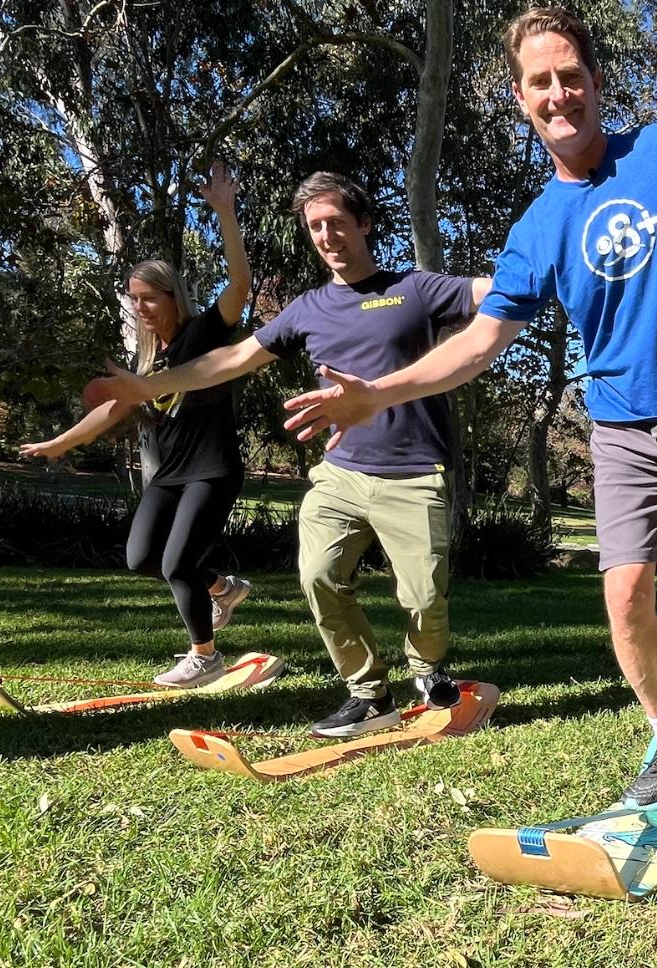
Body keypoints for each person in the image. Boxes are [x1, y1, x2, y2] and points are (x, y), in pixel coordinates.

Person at [279, 0, 657, 805]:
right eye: (539, 82)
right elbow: (478, 344)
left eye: (570, 76)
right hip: (621, 428)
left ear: (595, 81)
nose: (557, 94)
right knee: (624, 596)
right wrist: (374, 394)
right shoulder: (536, 229)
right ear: (520, 99)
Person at [102, 172, 489, 738]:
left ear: (364, 224)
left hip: (413, 471)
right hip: (340, 472)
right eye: (315, 227)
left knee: (425, 596)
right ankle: (367, 694)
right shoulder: (306, 309)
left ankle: (427, 669)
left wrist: (555, 263)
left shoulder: (417, 289)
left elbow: (496, 292)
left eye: (336, 222)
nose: (327, 235)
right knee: (319, 576)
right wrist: (149, 384)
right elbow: (230, 361)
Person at [21, 161, 256, 687]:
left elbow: (239, 282)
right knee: (142, 557)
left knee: (177, 564)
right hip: (171, 473)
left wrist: (225, 212)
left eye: (149, 297)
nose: (141, 307)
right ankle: (222, 587)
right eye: (134, 300)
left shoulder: (205, 334)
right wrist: (59, 443)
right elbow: (112, 408)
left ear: (173, 297)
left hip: (212, 469)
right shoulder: (149, 361)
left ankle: (205, 655)